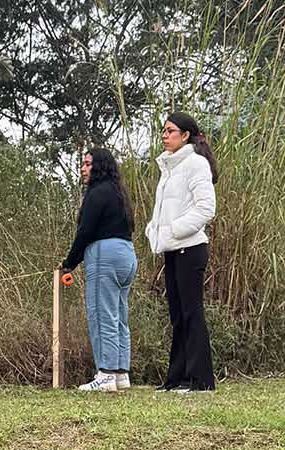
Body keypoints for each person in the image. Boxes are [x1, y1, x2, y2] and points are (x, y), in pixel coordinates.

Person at [146, 111, 217, 393]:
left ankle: (199, 380)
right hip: (173, 250)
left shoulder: (196, 164)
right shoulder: (169, 168)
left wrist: (174, 229)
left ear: (185, 135)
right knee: (177, 314)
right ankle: (176, 378)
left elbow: (205, 209)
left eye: (170, 131)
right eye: (163, 131)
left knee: (191, 312)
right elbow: (164, 209)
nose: (164, 136)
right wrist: (155, 230)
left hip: (191, 247)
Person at [60, 146, 138, 393]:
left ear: (99, 166)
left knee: (102, 315)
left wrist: (69, 263)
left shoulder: (97, 192)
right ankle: (120, 374)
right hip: (126, 255)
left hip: (105, 256)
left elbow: (85, 231)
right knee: (118, 316)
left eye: (87, 164)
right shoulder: (119, 193)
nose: (83, 169)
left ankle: (105, 374)